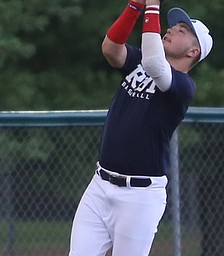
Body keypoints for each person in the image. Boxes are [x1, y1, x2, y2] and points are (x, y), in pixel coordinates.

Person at [68, 0, 213, 255]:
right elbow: (111, 49)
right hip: (100, 185)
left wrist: (153, 6)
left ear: (193, 52)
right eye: (173, 27)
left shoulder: (182, 86)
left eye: (181, 31)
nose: (170, 30)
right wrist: (135, 5)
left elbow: (156, 64)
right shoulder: (138, 62)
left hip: (139, 197)